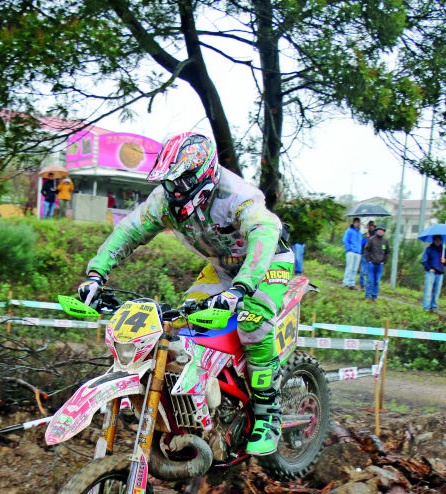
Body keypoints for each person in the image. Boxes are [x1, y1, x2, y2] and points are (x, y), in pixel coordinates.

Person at [75, 132, 294, 455]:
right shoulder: (165, 199)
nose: (173, 191)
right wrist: (96, 275)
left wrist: (242, 288)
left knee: (252, 321)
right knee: (183, 322)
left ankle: (267, 413)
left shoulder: (238, 196)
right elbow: (129, 231)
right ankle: (200, 400)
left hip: (267, 262)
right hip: (221, 266)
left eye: (179, 183)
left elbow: (264, 235)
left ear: (201, 176)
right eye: (169, 182)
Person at [420, 235, 446, 312]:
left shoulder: (444, 250)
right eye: (436, 239)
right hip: (431, 273)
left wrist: (445, 261)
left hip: (440, 273)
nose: (437, 241)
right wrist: (429, 268)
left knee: (437, 291)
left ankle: (434, 307)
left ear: (441, 240)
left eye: (439, 240)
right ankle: (426, 308)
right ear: (433, 240)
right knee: (428, 290)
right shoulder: (429, 249)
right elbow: (423, 260)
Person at [362, 223, 388, 302]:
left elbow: (387, 252)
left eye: (382, 230)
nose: (380, 232)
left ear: (383, 232)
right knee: (370, 280)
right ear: (377, 231)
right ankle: (367, 296)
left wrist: (384, 261)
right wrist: (369, 260)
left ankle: (374, 296)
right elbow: (366, 250)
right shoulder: (371, 239)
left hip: (380, 264)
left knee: (377, 281)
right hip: (371, 263)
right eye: (379, 230)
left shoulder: (385, 241)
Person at [342, 217, 363, 288]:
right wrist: (349, 249)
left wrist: (367, 238)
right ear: (354, 223)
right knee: (349, 268)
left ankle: (351, 284)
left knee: (355, 269)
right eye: (357, 222)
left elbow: (361, 243)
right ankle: (346, 283)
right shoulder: (349, 231)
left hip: (358, 253)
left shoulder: (360, 233)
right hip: (351, 252)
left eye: (359, 222)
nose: (358, 224)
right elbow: (345, 240)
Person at [359, 221, 376, 288]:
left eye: (372, 225)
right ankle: (362, 284)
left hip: (372, 256)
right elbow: (361, 243)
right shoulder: (364, 235)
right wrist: (366, 238)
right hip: (364, 254)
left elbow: (374, 245)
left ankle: (368, 284)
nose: (371, 227)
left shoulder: (375, 236)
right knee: (362, 270)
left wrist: (369, 238)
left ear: (374, 227)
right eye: (370, 225)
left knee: (370, 271)